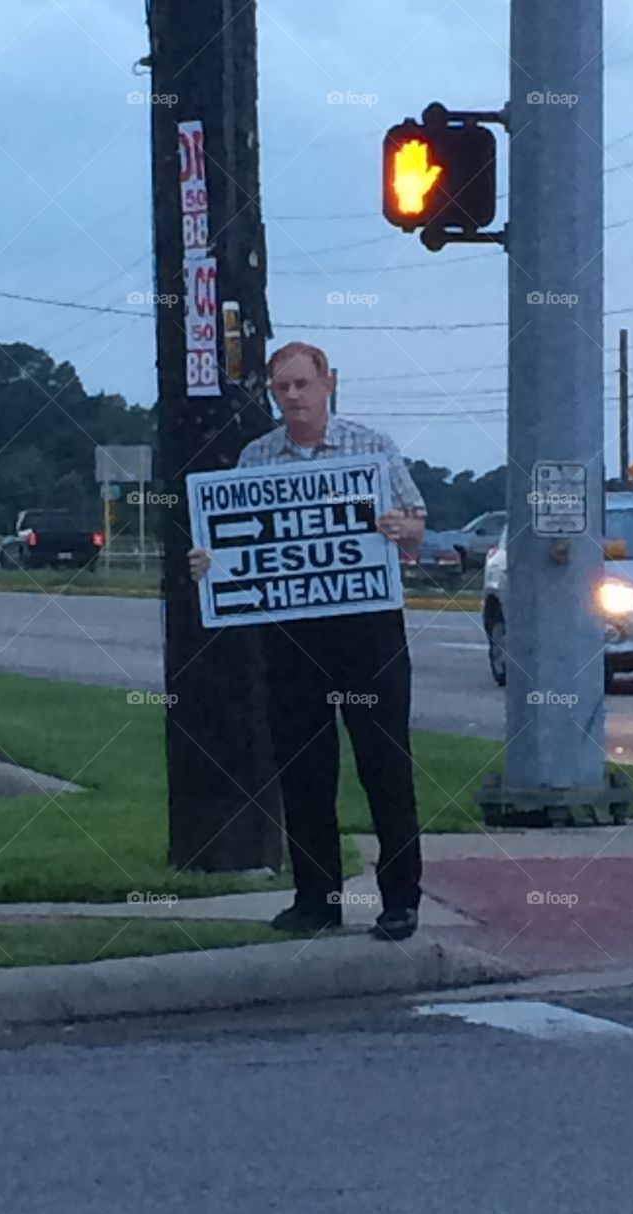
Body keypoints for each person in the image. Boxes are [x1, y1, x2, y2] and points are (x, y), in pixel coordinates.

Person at [188, 342, 426, 941]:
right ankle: (316, 901)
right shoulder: (255, 458)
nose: (292, 396)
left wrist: (402, 529)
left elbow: (417, 529)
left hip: (368, 630)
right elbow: (235, 544)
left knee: (385, 765)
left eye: (302, 384)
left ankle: (400, 900)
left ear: (328, 384)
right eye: (281, 387)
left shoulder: (372, 448)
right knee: (303, 770)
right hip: (290, 636)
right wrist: (209, 564)